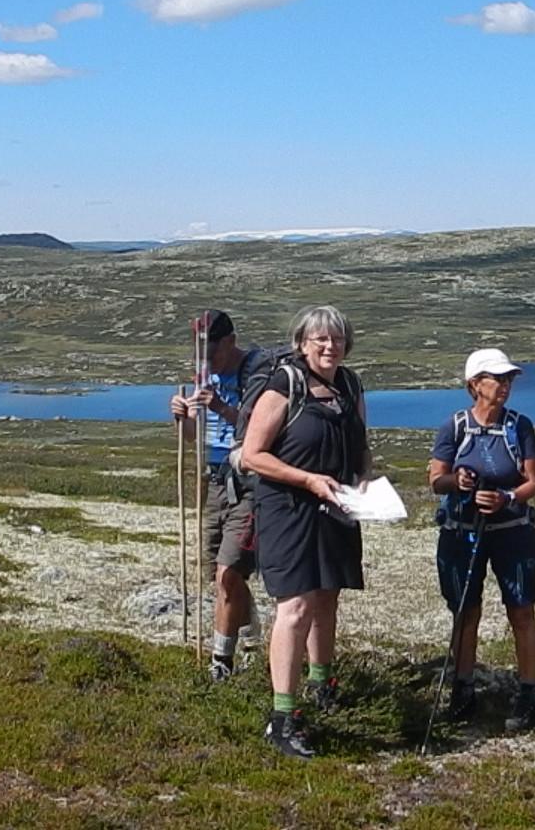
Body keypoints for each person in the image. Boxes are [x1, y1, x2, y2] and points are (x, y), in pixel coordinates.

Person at [234, 306, 371, 757]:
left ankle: (322, 683)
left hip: (335, 505)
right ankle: (283, 717)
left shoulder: (350, 385)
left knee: (327, 594)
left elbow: (361, 443)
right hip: (288, 508)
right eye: (320, 340)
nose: (330, 346)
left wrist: (364, 479)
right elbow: (253, 455)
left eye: (337, 339)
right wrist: (308, 479)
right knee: (294, 606)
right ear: (302, 343)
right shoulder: (284, 385)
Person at [426, 348, 535, 732]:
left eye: (509, 379)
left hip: (513, 533)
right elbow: (435, 479)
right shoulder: (454, 427)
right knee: (465, 611)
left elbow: (532, 482)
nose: (506, 385)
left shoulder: (519, 426)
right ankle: (463, 687)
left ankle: (528, 692)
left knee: (522, 610)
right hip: (463, 532)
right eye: (498, 378)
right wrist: (457, 483)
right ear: (475, 384)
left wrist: (507, 498)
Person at [167, 311, 265, 679]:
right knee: (219, 573)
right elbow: (195, 435)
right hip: (214, 480)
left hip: (248, 480)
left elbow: (263, 427)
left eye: (212, 353)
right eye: (200, 356)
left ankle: (220, 662)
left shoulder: (257, 373)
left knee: (229, 572)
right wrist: (182, 417)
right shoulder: (203, 374)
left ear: (231, 341)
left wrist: (221, 407)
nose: (206, 363)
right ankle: (251, 638)